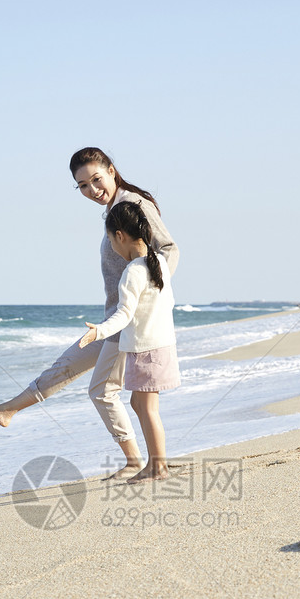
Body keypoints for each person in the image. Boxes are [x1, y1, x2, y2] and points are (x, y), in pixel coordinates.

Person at [0, 147, 179, 477]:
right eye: (83, 186)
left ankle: (139, 461)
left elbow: (168, 249)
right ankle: (8, 410)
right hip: (112, 318)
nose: (93, 190)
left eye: (96, 179)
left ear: (111, 169)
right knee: (67, 365)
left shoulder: (133, 204)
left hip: (128, 323)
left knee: (101, 390)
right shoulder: (115, 206)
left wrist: (150, 299)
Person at [78, 200, 179, 482]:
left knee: (147, 409)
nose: (111, 247)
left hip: (147, 351)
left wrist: (97, 331)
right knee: (139, 404)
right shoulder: (158, 262)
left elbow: (123, 315)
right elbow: (167, 303)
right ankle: (152, 464)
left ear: (119, 236)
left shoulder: (133, 271)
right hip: (161, 347)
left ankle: (158, 468)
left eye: (111, 240)